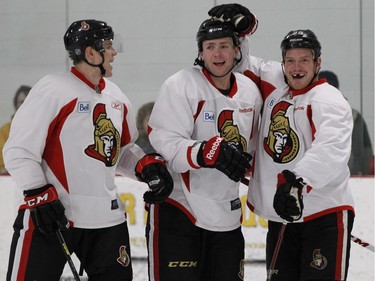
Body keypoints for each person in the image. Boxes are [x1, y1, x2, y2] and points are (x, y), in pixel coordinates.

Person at [3, 19, 173, 281]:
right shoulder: (52, 89)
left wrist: (145, 166)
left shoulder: (116, 97)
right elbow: (18, 150)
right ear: (91, 53)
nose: (114, 52)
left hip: (106, 221)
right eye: (107, 46)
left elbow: (122, 150)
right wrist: (38, 194)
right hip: (52, 217)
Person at [208, 4, 355, 281]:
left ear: (318, 63)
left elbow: (331, 149)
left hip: (322, 215)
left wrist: (297, 180)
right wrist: (240, 32)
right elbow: (241, 66)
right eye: (290, 60)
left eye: (304, 60)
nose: (296, 67)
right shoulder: (278, 87)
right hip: (281, 214)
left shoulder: (328, 99)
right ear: (283, 63)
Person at [146, 17, 262, 281]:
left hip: (227, 213)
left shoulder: (250, 91)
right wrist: (204, 152)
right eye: (209, 47)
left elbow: (252, 150)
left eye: (224, 45)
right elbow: (165, 141)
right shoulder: (181, 84)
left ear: (236, 51)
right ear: (200, 53)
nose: (217, 53)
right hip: (180, 209)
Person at [319, 70, 374, 175]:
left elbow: (366, 152)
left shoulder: (355, 117)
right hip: (317, 178)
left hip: (350, 178)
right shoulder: (305, 114)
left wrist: (364, 178)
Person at [0, 85, 31, 174]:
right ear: (16, 106)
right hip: (9, 179)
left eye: (28, 101)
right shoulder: (5, 130)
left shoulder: (45, 129)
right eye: (21, 102)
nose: (25, 104)